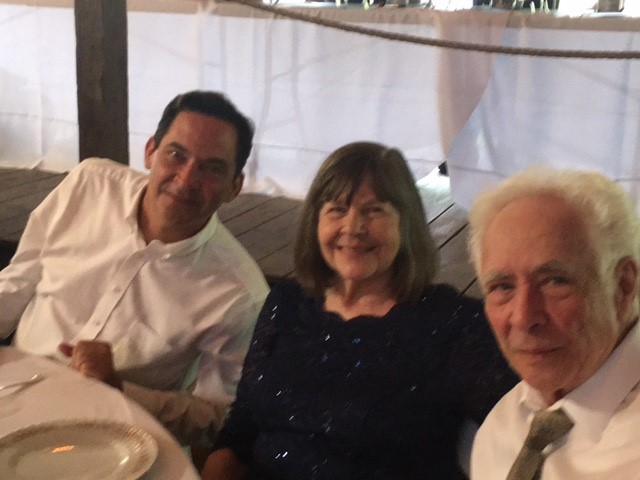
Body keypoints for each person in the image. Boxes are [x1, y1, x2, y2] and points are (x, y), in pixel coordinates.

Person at [201, 141, 518, 479]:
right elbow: (243, 425)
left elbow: (530, 423)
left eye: (374, 210)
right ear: (315, 222)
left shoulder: (451, 324)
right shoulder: (287, 303)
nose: (353, 228)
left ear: (406, 222)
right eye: (337, 209)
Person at [0, 90, 269, 446]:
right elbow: (19, 280)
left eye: (212, 168)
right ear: (150, 152)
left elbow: (215, 418)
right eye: (176, 155)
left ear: (235, 187)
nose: (186, 178)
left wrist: (118, 388)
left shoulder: (240, 293)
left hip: (118, 439)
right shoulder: (88, 184)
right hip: (15, 396)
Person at [468, 167, 640, 479]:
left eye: (555, 281)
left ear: (623, 285)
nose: (523, 317)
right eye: (503, 287)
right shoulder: (502, 426)